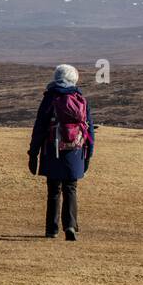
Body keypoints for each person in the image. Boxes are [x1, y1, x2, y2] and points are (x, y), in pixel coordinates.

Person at [27, 64, 93, 240]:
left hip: (52, 150)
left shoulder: (49, 99)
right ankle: (70, 225)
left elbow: (40, 127)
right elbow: (89, 131)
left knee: (54, 190)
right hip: (75, 152)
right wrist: (88, 156)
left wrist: (33, 153)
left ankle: (51, 229)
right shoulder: (80, 98)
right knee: (70, 188)